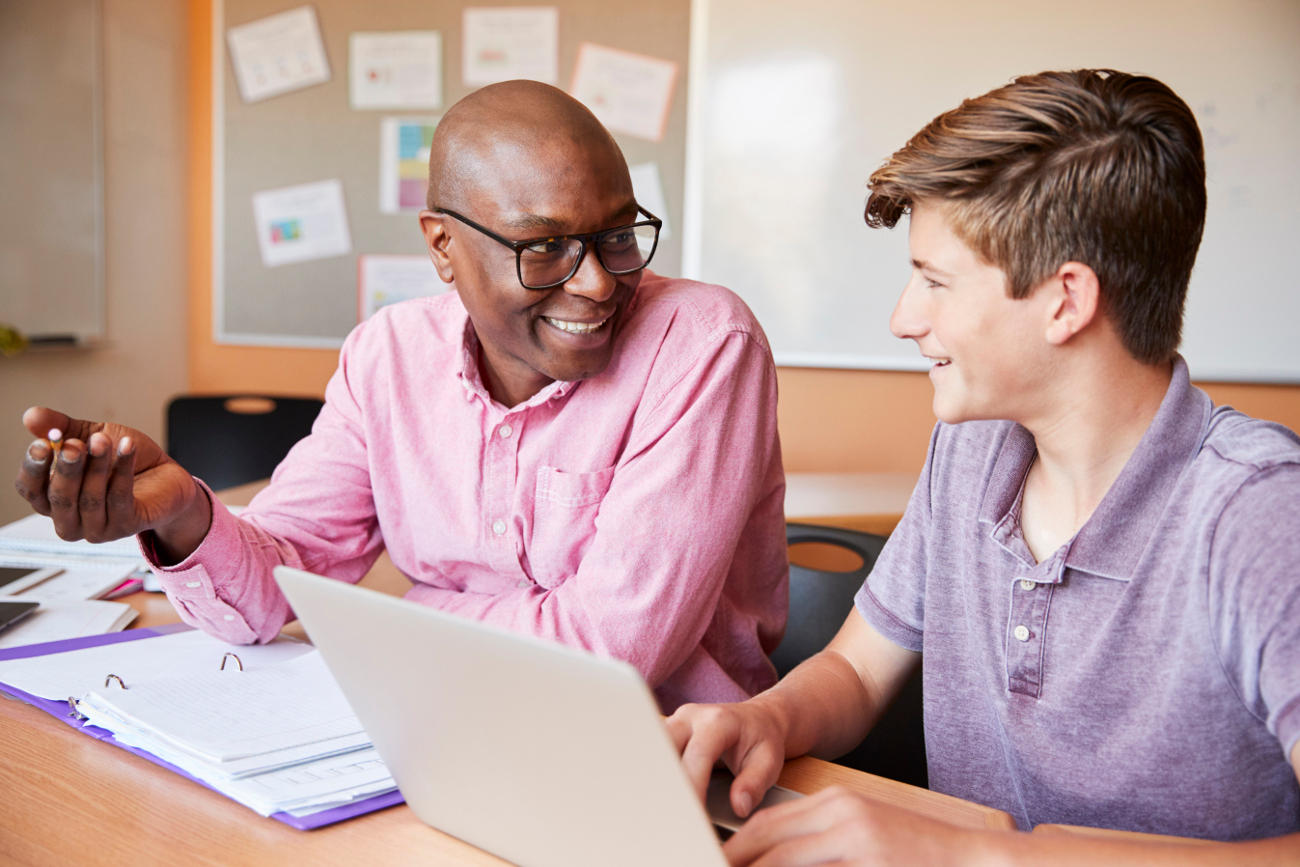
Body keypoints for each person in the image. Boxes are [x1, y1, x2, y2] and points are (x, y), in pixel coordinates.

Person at [668, 69, 1300, 862]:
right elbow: (858, 675)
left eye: (935, 280)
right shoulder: (971, 449)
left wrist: (978, 856)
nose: (904, 317)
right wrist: (769, 717)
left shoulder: (1259, 512)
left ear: (1065, 301)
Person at [13, 81, 788, 713]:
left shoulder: (703, 342)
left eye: (618, 234)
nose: (595, 281)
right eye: (545, 246)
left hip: (663, 765)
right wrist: (186, 512)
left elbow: (609, 656)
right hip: (439, 727)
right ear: (443, 246)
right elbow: (269, 595)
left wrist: (395, 615)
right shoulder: (387, 356)